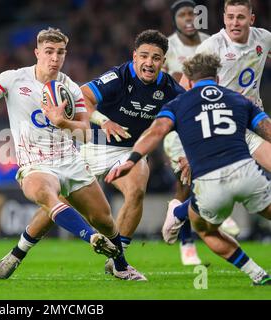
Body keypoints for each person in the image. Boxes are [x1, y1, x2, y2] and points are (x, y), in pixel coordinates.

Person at [0, 27, 133, 278]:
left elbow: (83, 128)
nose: (55, 58)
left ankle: (120, 266)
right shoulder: (14, 79)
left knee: (105, 219)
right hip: (35, 164)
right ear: (37, 52)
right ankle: (91, 237)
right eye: (49, 51)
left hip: (70, 161)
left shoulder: (70, 87)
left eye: (60, 52)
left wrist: (63, 123)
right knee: (48, 195)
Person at [0, 30, 186, 281]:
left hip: (129, 150)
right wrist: (103, 121)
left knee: (137, 187)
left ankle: (118, 258)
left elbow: (189, 115)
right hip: (93, 144)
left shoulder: (169, 88)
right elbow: (83, 94)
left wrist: (184, 153)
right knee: (62, 200)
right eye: (145, 56)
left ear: (163, 62)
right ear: (134, 57)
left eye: (156, 58)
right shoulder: (118, 76)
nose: (149, 63)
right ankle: (19, 252)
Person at [105, 53, 271, 286]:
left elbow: (155, 133)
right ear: (217, 77)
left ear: (189, 81)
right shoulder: (238, 98)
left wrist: (131, 160)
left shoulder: (178, 103)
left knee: (207, 230)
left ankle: (257, 273)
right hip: (246, 171)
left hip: (209, 182)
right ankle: (180, 212)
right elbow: (267, 131)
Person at [165, 0, 271, 247]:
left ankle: (181, 212)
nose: (235, 23)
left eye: (241, 17)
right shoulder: (212, 46)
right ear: (224, 19)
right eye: (231, 17)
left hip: (254, 120)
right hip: (226, 126)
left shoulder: (263, 38)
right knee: (223, 195)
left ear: (251, 20)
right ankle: (180, 213)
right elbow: (184, 87)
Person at [163, 0, 239, 266]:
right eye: (182, 14)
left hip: (215, 117)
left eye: (192, 14)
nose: (188, 18)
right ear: (175, 20)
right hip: (185, 120)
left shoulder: (212, 41)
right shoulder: (169, 46)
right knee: (185, 181)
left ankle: (203, 213)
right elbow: (167, 83)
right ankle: (187, 244)